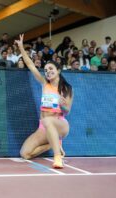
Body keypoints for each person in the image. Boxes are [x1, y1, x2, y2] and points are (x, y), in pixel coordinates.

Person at [15, 34, 73, 169]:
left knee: (48, 121)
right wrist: (21, 48)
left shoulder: (67, 88)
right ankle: (54, 144)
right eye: (46, 70)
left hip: (60, 125)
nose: (48, 72)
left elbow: (67, 111)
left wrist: (62, 105)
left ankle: (57, 157)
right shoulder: (44, 84)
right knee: (24, 153)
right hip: (43, 127)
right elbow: (30, 64)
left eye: (51, 69)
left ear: (58, 70)